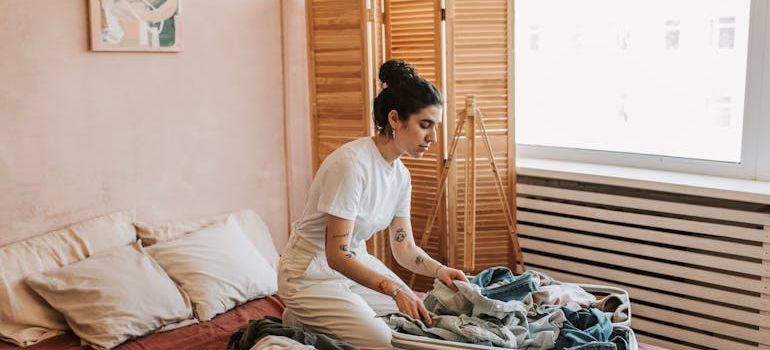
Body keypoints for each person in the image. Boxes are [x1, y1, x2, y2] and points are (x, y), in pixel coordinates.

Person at [277, 59, 469, 350]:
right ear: (395, 119)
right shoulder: (351, 165)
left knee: (414, 323)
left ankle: (308, 320)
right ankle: (303, 316)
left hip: (356, 263)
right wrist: (394, 289)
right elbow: (336, 256)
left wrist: (439, 269)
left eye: (436, 126)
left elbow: (404, 248)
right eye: (425, 125)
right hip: (310, 275)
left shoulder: (401, 175)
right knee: (387, 341)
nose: (433, 138)